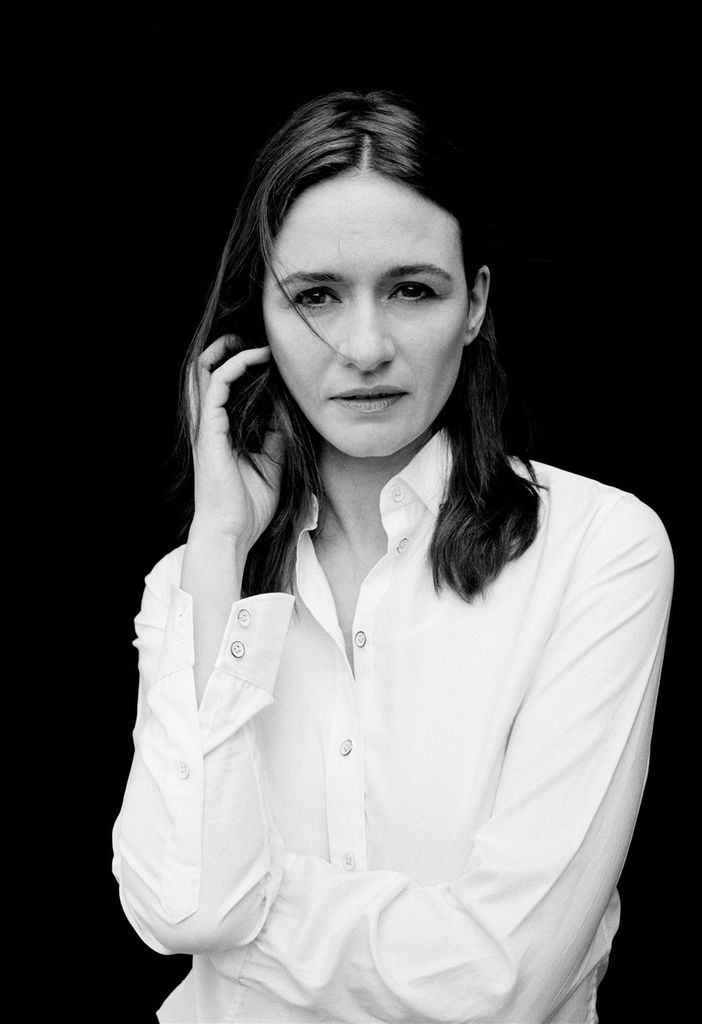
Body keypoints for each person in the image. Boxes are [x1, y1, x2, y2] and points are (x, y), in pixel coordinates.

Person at [111, 90, 674, 1024]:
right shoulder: (191, 582)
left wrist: (239, 913)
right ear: (262, 313)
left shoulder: (597, 549)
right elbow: (181, 904)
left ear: (476, 304)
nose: (365, 347)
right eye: (317, 297)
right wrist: (217, 548)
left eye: (412, 289)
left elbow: (500, 985)